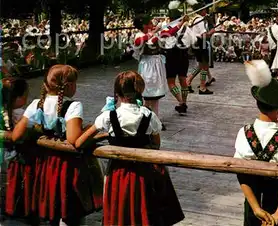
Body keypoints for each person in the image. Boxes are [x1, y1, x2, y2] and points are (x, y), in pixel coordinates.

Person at [75, 71, 184, 226]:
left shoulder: (109, 116)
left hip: (118, 171)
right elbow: (156, 144)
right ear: (139, 91)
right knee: (145, 211)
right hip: (144, 172)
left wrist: (103, 136)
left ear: (117, 93)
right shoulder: (149, 115)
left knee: (120, 212)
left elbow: (79, 142)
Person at [12, 65, 103, 226]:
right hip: (68, 165)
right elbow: (73, 138)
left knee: (53, 207)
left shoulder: (36, 104)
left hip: (45, 162)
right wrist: (91, 129)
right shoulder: (73, 106)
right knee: (71, 211)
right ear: (68, 86)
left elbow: (17, 134)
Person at [234, 60, 278, 226]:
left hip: (253, 204)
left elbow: (240, 173)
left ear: (257, 103)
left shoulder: (244, 133)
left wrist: (256, 208)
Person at [1, 78, 33, 221]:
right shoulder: (23, 114)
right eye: (25, 95)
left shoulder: (4, 114)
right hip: (19, 159)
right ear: (19, 97)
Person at [133, 15, 168, 122]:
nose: (152, 25)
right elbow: (138, 42)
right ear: (144, 25)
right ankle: (146, 119)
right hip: (147, 66)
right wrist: (151, 34)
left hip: (156, 65)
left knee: (156, 95)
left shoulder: (153, 33)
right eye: (150, 24)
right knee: (148, 95)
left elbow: (168, 33)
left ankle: (155, 119)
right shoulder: (139, 35)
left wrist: (180, 24)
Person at [161, 15, 192, 115]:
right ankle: (184, 102)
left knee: (171, 82)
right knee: (183, 80)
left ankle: (180, 102)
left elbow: (162, 36)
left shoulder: (167, 27)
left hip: (171, 55)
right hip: (184, 54)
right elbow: (193, 40)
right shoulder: (187, 28)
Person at [186, 5, 217, 94]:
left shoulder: (193, 19)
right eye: (204, 9)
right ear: (201, 10)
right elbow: (203, 34)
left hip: (195, 43)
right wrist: (210, 32)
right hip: (201, 43)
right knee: (204, 66)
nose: (205, 11)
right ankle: (202, 87)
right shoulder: (200, 19)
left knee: (201, 66)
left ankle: (188, 80)